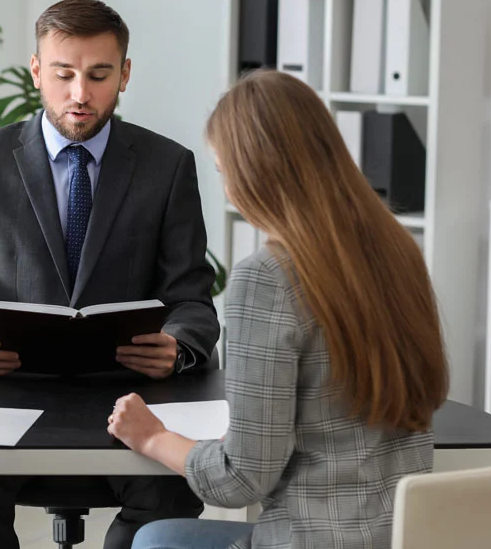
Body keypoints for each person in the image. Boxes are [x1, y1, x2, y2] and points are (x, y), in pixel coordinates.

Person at [0, 0, 220, 549]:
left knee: (175, 489)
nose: (81, 94)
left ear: (124, 75)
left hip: (129, 407)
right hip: (5, 404)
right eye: (64, 74)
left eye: (99, 75)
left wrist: (177, 344)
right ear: (37, 72)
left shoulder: (166, 166)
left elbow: (193, 299)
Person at [107, 69, 450, 549]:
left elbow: (241, 481)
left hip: (310, 541)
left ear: (255, 173)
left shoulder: (267, 278)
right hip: (398, 538)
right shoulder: (399, 250)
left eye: (225, 171)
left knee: (151, 541)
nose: (228, 190)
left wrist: (153, 438)